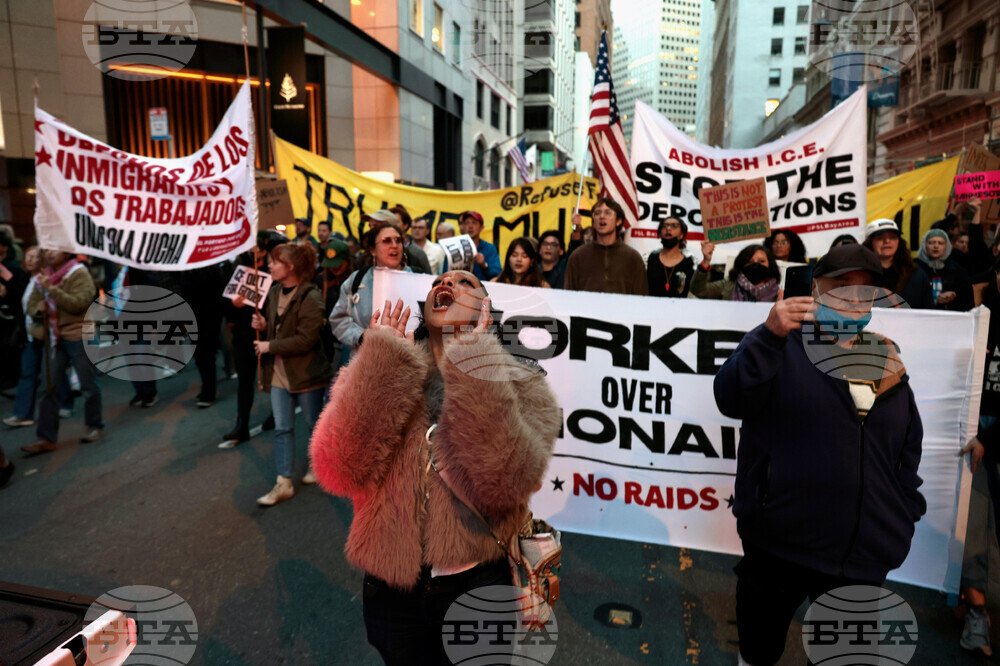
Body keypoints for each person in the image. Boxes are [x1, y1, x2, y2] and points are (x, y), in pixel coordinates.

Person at [308, 271, 560, 665]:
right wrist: (379, 368)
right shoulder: (385, 365)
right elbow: (339, 469)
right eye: (439, 282)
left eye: (465, 283)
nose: (447, 284)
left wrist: (477, 368)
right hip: (391, 592)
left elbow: (507, 483)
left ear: (487, 313)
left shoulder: (521, 380)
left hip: (477, 587)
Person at [715, 243, 926, 666]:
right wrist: (768, 335)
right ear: (814, 288)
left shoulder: (889, 361)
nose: (853, 298)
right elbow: (730, 396)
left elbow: (906, 448)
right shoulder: (779, 345)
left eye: (866, 290)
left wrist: (902, 511)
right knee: (758, 652)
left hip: (861, 558)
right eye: (841, 285)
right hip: (779, 549)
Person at [251, 242, 333, 506]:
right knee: (282, 428)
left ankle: (319, 468)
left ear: (291, 266)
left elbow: (306, 339)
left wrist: (269, 345)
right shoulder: (274, 291)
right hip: (278, 373)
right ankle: (283, 481)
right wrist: (263, 325)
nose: (269, 265)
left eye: (275, 262)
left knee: (313, 426)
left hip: (306, 374)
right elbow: (279, 328)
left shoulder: (311, 296)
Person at [958, 257, 1000, 655]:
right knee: (972, 532)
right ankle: (976, 617)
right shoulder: (980, 318)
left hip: (989, 436)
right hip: (977, 437)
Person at [22, 250, 104, 454]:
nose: (49, 254)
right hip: (53, 338)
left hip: (78, 335)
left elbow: (79, 304)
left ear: (66, 252)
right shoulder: (44, 276)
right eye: (48, 249)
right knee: (48, 387)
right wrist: (40, 309)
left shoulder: (79, 273)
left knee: (88, 385)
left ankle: (94, 425)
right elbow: (31, 305)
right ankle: (46, 437)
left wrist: (52, 290)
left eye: (55, 249)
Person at [220, 232, 288, 447]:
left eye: (256, 248)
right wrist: (234, 304)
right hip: (243, 335)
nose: (253, 252)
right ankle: (242, 425)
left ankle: (277, 415)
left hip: (267, 335)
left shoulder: (274, 270)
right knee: (245, 381)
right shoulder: (240, 268)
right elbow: (226, 299)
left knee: (273, 378)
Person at [4, 247, 73, 428]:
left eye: (34, 257)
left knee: (52, 372)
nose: (29, 260)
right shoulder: (26, 279)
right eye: (27, 257)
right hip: (30, 334)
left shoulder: (48, 279)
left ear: (41, 260)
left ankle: (65, 402)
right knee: (29, 373)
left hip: (46, 333)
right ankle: (22, 414)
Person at [328, 216, 413, 358]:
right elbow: (339, 320)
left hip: (406, 363)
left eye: (398, 240)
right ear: (373, 250)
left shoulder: (419, 281)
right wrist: (362, 336)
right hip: (365, 363)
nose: (394, 245)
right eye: (386, 241)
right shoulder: (356, 280)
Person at [564, 197, 647, 295]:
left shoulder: (633, 258)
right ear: (593, 221)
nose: (602, 216)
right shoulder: (578, 256)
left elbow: (641, 299)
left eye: (608, 212)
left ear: (618, 221)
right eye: (597, 213)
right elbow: (568, 298)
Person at [863, 218, 935, 309]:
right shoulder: (860, 275)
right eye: (880, 238)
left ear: (899, 242)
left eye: (892, 237)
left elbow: (929, 310)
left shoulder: (916, 274)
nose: (887, 241)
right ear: (870, 243)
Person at [692, 242, 779, 302]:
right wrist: (706, 261)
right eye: (750, 261)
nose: (755, 264)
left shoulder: (778, 294)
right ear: (742, 264)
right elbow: (699, 290)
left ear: (770, 265)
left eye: (761, 261)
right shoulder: (728, 284)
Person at [915, 229, 972, 311]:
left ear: (947, 246)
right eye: (931, 242)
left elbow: (967, 301)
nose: (936, 246)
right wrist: (934, 300)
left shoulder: (958, 270)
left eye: (940, 243)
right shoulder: (914, 268)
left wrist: (953, 296)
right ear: (924, 245)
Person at [0, 230, 27, 391]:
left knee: (9, 346)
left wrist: (5, 290)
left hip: (11, 313)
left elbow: (12, 288)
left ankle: (13, 377)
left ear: (3, 247)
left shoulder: (11, 265)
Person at [647, 218, 695, 298]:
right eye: (665, 225)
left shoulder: (691, 262)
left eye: (674, 226)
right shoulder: (650, 259)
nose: (668, 228)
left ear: (681, 235)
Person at [458, 210, 501, 281]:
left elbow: (497, 275)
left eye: (474, 223)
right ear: (463, 227)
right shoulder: (454, 247)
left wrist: (484, 265)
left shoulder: (490, 248)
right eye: (467, 223)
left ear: (482, 227)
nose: (470, 226)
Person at [390, 205, 433, 274]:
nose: (391, 225)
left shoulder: (418, 253)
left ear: (405, 225)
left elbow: (428, 278)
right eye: (389, 222)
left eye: (395, 222)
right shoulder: (382, 249)